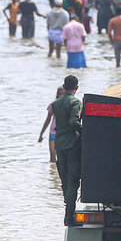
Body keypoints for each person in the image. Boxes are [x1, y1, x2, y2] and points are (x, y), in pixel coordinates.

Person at [52, 75, 82, 226]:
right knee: (73, 180)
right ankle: (70, 216)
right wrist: (84, 131)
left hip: (59, 144)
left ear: (64, 86)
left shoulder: (56, 103)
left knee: (64, 180)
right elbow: (73, 122)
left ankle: (68, 212)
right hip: (72, 144)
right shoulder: (75, 102)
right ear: (76, 88)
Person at [38, 86, 65, 163]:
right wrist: (41, 134)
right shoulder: (53, 105)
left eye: (63, 94)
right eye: (60, 94)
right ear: (57, 95)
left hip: (63, 132)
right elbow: (48, 119)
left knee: (62, 155)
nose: (61, 96)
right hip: (53, 132)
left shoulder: (68, 105)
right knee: (52, 154)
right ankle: (52, 172)